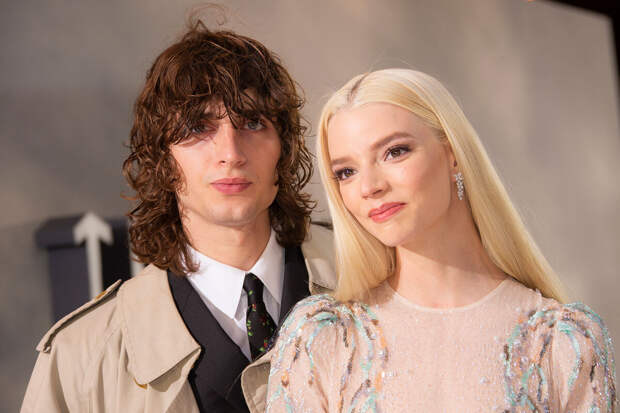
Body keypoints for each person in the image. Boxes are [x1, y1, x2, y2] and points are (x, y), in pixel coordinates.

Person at [20, 20, 337, 413]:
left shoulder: (381, 278)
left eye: (253, 123)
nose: (231, 153)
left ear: (283, 149)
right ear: (163, 161)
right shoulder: (81, 359)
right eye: (198, 127)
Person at [264, 69, 617, 412]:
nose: (369, 186)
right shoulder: (322, 338)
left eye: (394, 152)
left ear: (453, 155)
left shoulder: (563, 343)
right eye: (346, 172)